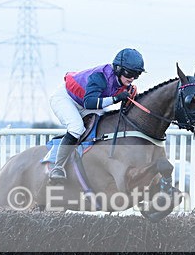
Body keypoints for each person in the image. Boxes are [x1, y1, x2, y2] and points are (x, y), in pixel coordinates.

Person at [47, 48, 145, 182]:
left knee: (103, 125)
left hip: (85, 103)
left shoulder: (127, 85)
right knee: (76, 128)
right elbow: (90, 103)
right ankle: (57, 168)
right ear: (118, 69)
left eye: (137, 74)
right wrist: (116, 99)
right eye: (129, 73)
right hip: (66, 99)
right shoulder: (100, 76)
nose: (132, 78)